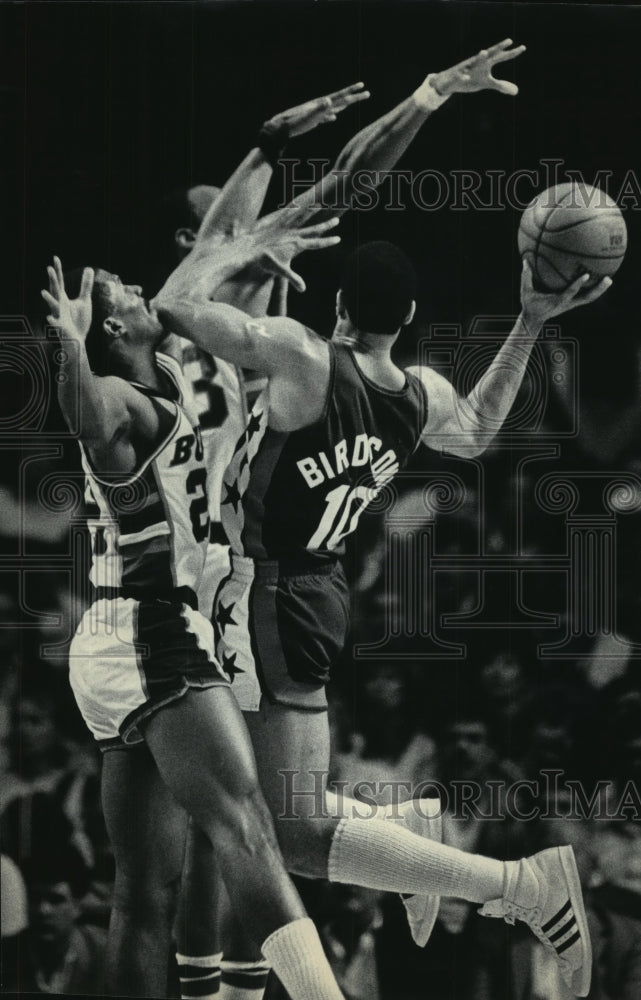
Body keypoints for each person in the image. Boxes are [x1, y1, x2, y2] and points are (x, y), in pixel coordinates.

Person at [160, 39, 530, 996]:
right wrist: (426, 96)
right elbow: (479, 428)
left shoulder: (277, 334)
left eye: (219, 223)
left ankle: (476, 880)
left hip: (249, 579)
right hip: (281, 581)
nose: (216, 229)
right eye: (208, 225)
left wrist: (416, 103)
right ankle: (398, 839)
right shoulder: (382, 378)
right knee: (232, 821)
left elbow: (329, 194)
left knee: (243, 824)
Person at [154, 228, 613, 998]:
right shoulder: (418, 392)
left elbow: (172, 305)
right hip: (312, 592)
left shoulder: (303, 355)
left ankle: (516, 883)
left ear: (337, 306)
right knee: (250, 806)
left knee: (280, 829)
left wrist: (245, 245)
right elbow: (474, 432)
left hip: (265, 594)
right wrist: (529, 321)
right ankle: (412, 832)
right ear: (403, 318)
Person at [41, 231, 356, 1000]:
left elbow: (211, 252)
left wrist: (263, 208)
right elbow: (86, 416)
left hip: (121, 642)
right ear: (116, 330)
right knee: (248, 825)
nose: (132, 286)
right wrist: (69, 349)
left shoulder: (174, 381)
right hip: (154, 633)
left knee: (141, 888)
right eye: (120, 289)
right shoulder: (126, 405)